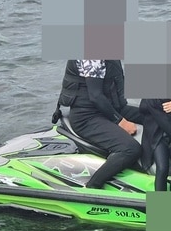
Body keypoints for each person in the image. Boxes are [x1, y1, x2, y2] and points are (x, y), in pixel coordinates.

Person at [52, 59, 145, 189]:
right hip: (86, 116)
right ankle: (92, 187)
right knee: (130, 149)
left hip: (111, 108)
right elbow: (95, 96)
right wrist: (121, 122)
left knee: (155, 115)